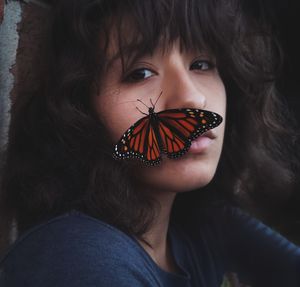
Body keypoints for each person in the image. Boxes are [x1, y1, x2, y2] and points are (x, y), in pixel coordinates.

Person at [0, 0, 299, 286]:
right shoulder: (80, 262)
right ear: (81, 109)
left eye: (202, 64)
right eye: (140, 73)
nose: (193, 98)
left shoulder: (204, 224)